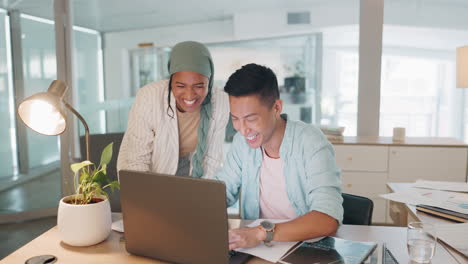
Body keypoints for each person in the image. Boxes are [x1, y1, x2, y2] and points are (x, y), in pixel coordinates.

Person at [216, 63, 343, 250]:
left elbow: (327, 219)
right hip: (259, 249)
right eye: (235, 118)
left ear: (276, 108)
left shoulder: (311, 142)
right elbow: (222, 192)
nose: (242, 130)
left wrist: (261, 233)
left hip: (305, 249)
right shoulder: (241, 143)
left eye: (251, 119)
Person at [117, 41, 229, 179]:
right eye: (180, 86)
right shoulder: (148, 97)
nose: (189, 95)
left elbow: (212, 161)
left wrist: (204, 195)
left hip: (188, 165)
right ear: (170, 81)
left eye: (199, 86)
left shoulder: (221, 101)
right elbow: (137, 162)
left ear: (210, 82)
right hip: (148, 166)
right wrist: (145, 195)